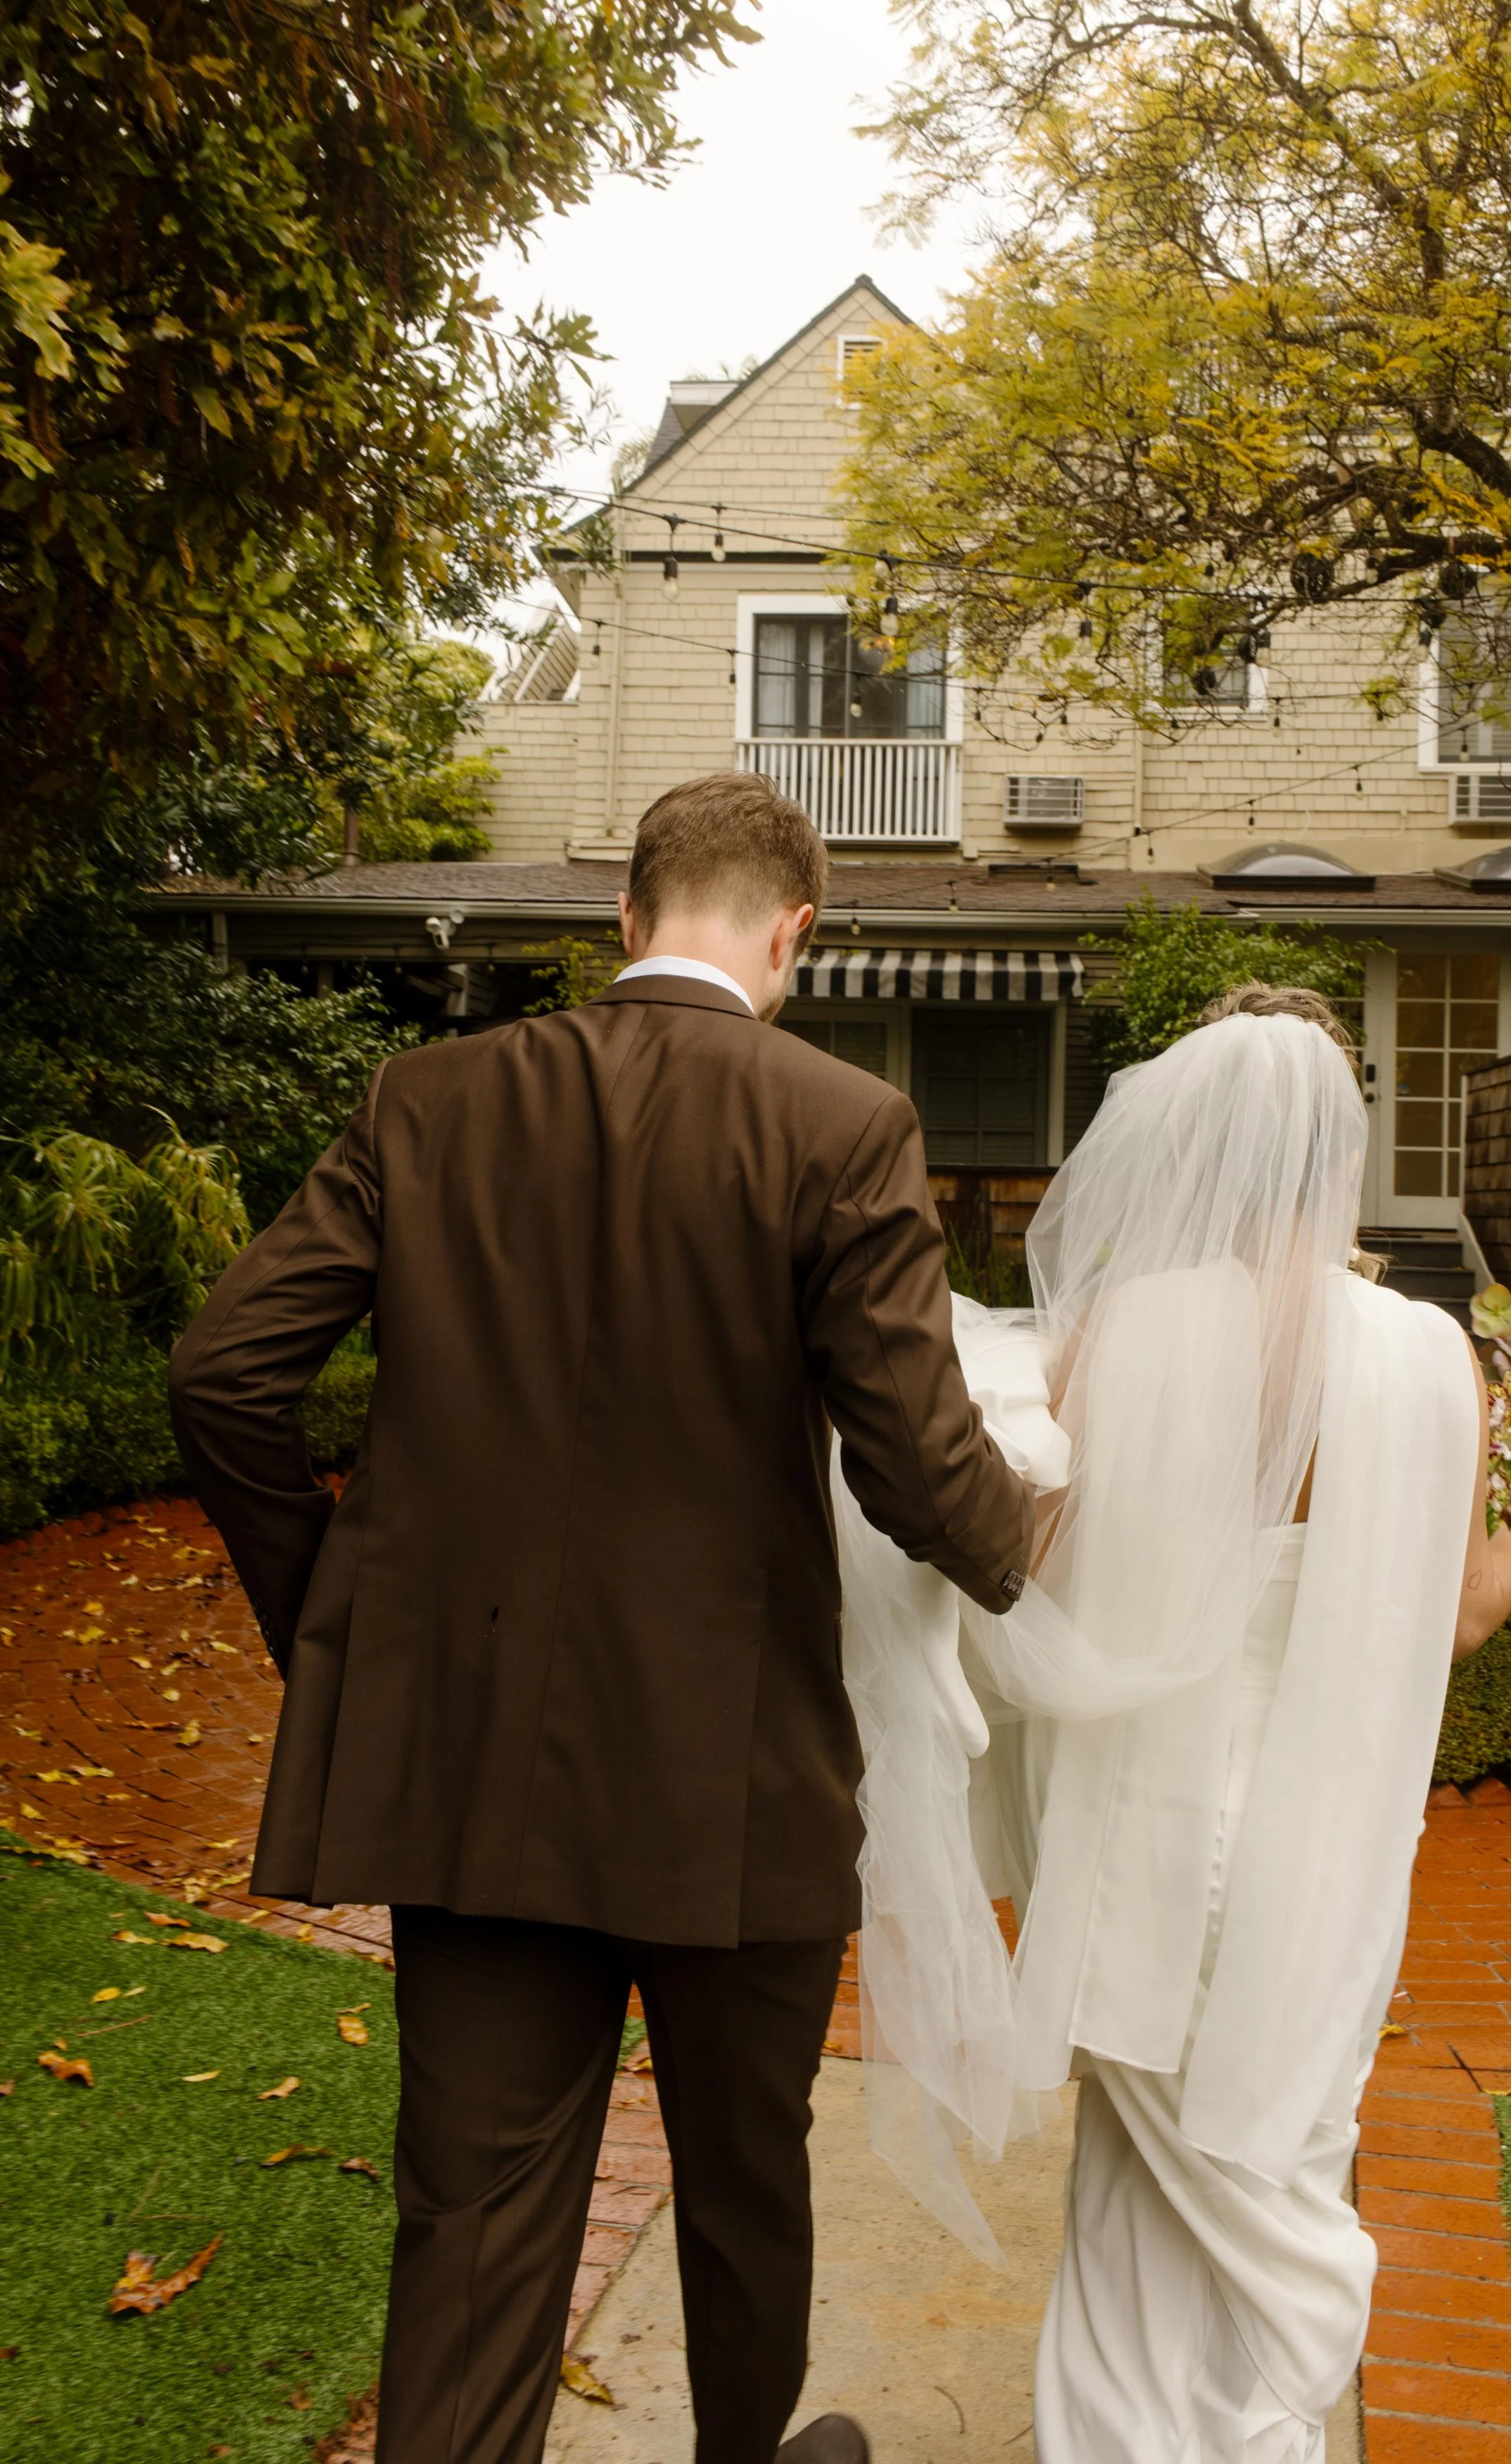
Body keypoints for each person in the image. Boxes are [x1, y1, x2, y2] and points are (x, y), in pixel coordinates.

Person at [167, 770, 1033, 2464]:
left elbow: (222, 1378)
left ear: (624, 922)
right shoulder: (840, 1128)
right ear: (795, 938)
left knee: (473, 2232)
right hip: (737, 1781)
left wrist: (336, 1623)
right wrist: (1044, 1544)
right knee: (740, 2194)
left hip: (471, 1767)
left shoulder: (423, 1100)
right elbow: (922, 1482)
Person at [835, 981, 1511, 2464]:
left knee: (1137, 2161)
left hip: (1145, 1823)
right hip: (1322, 1851)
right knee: (1280, 2149)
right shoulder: (1432, 1359)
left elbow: (1019, 1562)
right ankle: (1257, 2423)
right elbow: (1466, 1615)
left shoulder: (1125, 1330)